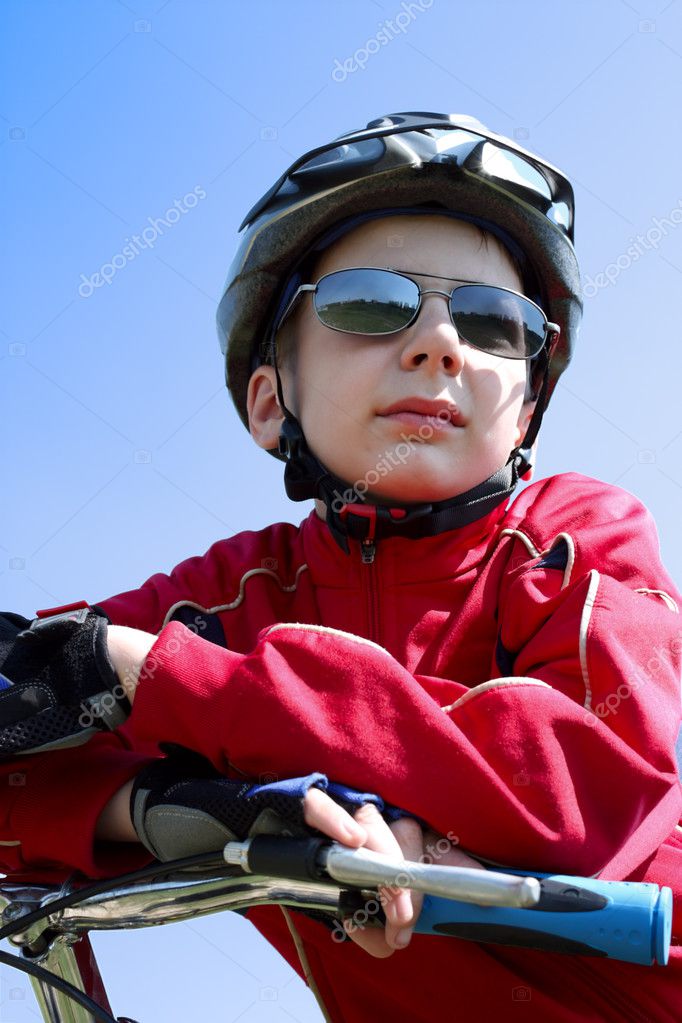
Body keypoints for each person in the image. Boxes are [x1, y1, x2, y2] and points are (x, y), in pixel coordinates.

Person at [2, 112, 681, 1021]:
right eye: (369, 303)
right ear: (269, 402)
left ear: (525, 411)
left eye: (494, 322)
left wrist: (179, 685)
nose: (440, 341)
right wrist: (167, 804)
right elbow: (36, 701)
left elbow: (584, 790)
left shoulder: (578, 532)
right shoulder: (233, 595)